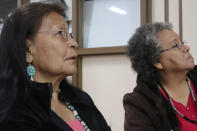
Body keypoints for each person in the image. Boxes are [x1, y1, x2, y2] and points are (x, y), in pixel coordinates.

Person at [0, 2, 111, 131]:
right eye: (60, 33)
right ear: (28, 51)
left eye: (69, 34)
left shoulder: (80, 98)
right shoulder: (14, 114)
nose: (74, 43)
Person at [123, 22, 197, 131]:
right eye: (176, 45)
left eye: (183, 43)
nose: (186, 48)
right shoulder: (140, 104)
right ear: (157, 61)